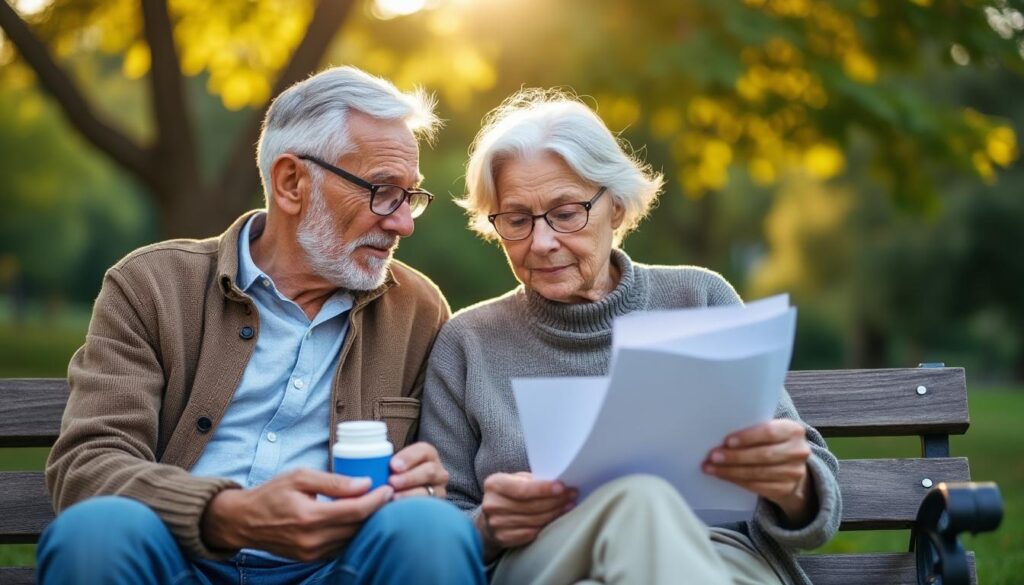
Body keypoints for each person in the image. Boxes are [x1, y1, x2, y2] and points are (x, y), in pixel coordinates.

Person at [39, 66, 485, 585]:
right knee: (96, 533)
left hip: (336, 571)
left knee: (431, 530)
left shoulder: (418, 310)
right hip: (183, 562)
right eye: (382, 191)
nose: (402, 222)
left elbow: (432, 487)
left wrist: (425, 487)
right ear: (291, 182)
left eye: (410, 196)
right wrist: (226, 514)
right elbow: (90, 465)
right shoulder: (151, 286)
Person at [420, 89, 841, 585]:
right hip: (546, 562)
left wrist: (791, 484)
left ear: (616, 208)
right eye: (516, 220)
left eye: (566, 212)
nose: (542, 241)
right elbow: (443, 522)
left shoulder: (699, 298)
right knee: (638, 498)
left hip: (718, 556)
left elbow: (815, 500)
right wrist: (488, 527)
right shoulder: (468, 342)